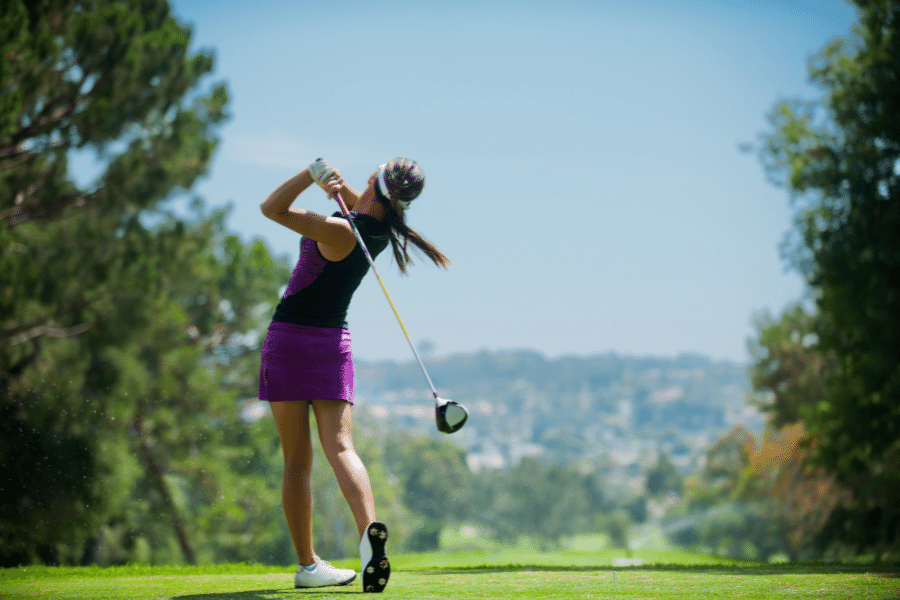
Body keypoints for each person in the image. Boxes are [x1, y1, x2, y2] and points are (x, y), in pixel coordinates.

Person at [258, 157, 451, 592]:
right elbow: (357, 213)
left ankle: (309, 567)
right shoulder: (377, 230)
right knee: (341, 447)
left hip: (290, 341)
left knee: (296, 461)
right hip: (332, 346)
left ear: (375, 184)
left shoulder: (340, 230)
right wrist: (339, 192)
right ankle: (369, 531)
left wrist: (309, 176)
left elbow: (271, 209)